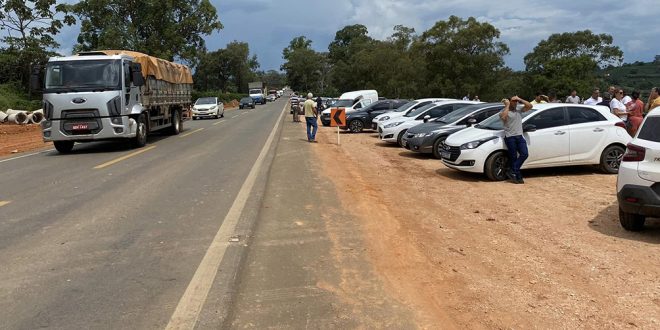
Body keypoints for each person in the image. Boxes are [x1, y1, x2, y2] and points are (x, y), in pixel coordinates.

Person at [500, 96, 533, 184]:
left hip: (519, 136)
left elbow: (530, 106)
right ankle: (517, 176)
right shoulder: (503, 111)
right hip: (510, 137)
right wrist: (507, 105)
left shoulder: (519, 109)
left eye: (516, 101)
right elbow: (503, 117)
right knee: (513, 157)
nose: (515, 103)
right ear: (509, 102)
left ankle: (512, 170)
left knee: (524, 154)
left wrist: (520, 99)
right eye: (513, 101)